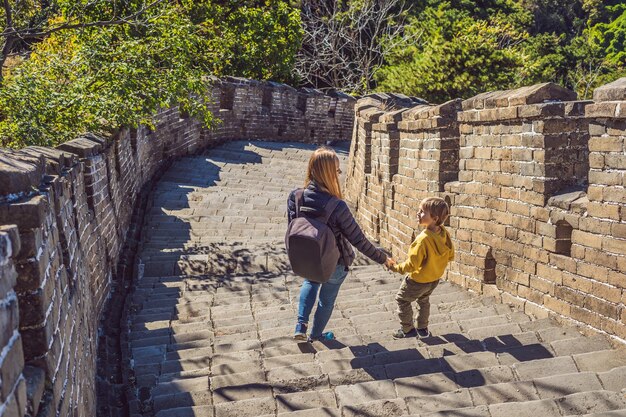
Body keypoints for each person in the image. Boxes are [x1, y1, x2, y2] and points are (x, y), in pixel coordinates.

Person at [288, 146, 395, 342]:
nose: (339, 173)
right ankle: (316, 335)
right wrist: (383, 259)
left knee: (310, 282)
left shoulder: (295, 197)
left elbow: (293, 227)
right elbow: (359, 240)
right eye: (337, 170)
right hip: (335, 263)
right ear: (329, 173)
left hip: (308, 257)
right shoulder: (337, 206)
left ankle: (300, 325)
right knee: (326, 301)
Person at [389, 197, 455, 339]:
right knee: (424, 300)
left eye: (422, 212)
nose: (418, 214)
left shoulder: (422, 239)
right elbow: (451, 255)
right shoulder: (443, 233)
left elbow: (412, 265)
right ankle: (422, 328)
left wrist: (395, 267)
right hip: (434, 279)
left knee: (402, 300)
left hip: (417, 280)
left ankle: (407, 329)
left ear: (434, 218)